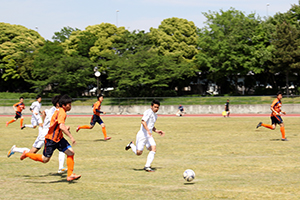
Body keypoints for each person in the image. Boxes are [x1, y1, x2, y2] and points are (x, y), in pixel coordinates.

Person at [19, 94, 81, 181]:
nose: (70, 106)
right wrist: (71, 137)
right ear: (63, 105)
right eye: (69, 105)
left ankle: (70, 175)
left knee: (71, 153)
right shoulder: (61, 112)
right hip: (51, 139)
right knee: (45, 159)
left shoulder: (58, 111)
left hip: (59, 138)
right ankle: (27, 153)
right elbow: (61, 126)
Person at [7, 95, 67, 174]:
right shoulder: (54, 110)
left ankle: (61, 167)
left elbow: (44, 112)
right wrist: (45, 124)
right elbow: (44, 113)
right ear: (58, 104)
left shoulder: (55, 110)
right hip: (45, 134)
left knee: (62, 147)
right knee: (32, 153)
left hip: (52, 134)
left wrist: (45, 122)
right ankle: (16, 149)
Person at [125, 99, 165, 172]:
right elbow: (143, 122)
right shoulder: (148, 112)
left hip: (149, 136)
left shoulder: (155, 116)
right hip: (142, 135)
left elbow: (151, 126)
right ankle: (131, 145)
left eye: (157, 107)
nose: (156, 109)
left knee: (153, 148)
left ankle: (147, 166)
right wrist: (147, 131)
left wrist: (156, 131)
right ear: (151, 106)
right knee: (138, 153)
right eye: (155, 107)